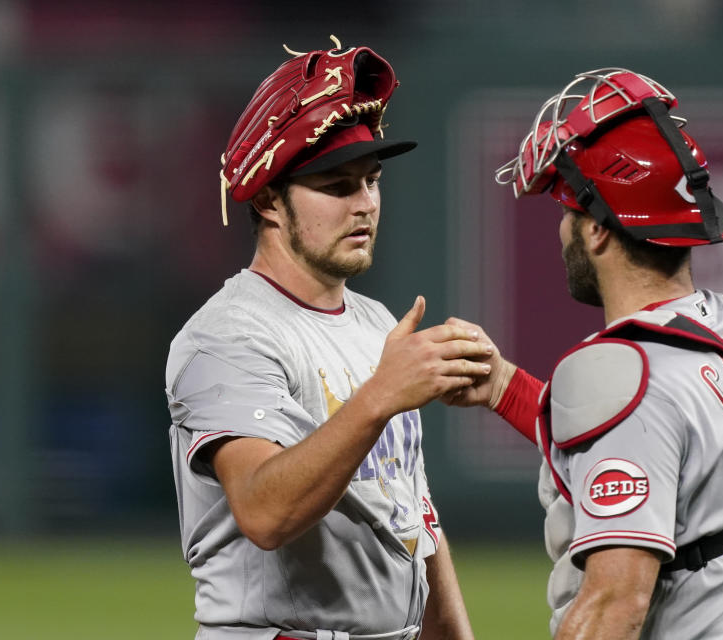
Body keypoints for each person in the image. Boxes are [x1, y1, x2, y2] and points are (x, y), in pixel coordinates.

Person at [445, 68, 723, 639]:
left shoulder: (625, 372)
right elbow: (657, 450)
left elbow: (616, 605)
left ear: (599, 231)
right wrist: (506, 389)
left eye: (568, 213)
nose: (563, 230)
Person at [166, 37, 485, 640]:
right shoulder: (224, 337)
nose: (364, 205)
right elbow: (264, 511)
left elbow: (412, 511)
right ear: (267, 198)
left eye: (372, 181)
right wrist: (378, 397)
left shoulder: (372, 322)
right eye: (337, 187)